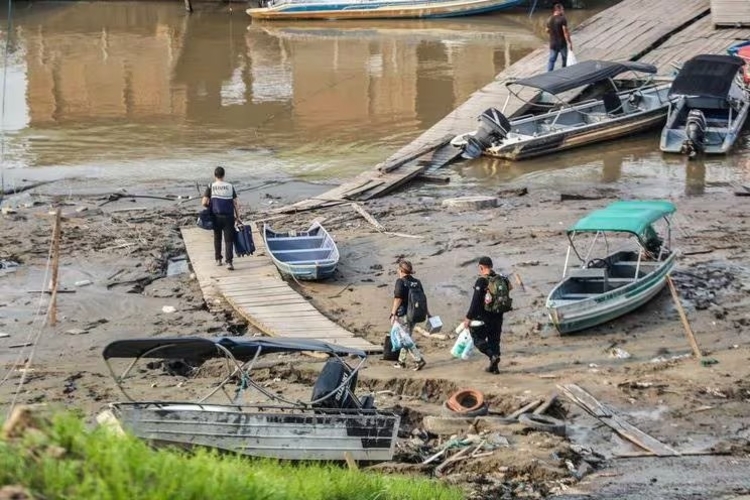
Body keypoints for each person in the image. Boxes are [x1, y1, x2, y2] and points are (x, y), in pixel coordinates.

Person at [463, 256, 512, 374]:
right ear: (491, 266)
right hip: (498, 314)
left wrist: (468, 317)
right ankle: (494, 367)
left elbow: (475, 301)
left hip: (484, 316)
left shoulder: (481, 281)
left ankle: (492, 356)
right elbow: (510, 288)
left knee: (477, 338)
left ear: (481, 267)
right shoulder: (502, 278)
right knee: (494, 340)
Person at [389, 261, 427, 371]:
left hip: (403, 315)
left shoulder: (400, 282)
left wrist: (393, 314)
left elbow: (398, 299)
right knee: (405, 337)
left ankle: (419, 360)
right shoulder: (417, 282)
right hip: (415, 314)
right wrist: (427, 312)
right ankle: (401, 362)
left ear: (400, 270)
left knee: (405, 339)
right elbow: (423, 298)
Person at [202, 166, 242, 271]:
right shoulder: (230, 186)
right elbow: (235, 203)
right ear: (223, 175)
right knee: (229, 240)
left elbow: (204, 202)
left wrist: (209, 206)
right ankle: (229, 262)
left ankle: (218, 260)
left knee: (217, 238)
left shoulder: (211, 186)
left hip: (216, 216)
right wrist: (238, 217)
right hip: (228, 217)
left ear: (215, 175)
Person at [546, 3, 573, 72]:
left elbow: (547, 30)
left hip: (553, 43)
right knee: (565, 59)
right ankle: (564, 72)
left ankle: (548, 73)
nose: (563, 11)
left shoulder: (549, 19)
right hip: (562, 43)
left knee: (551, 60)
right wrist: (570, 43)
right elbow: (565, 32)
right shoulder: (562, 19)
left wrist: (553, 33)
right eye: (562, 9)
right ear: (558, 10)